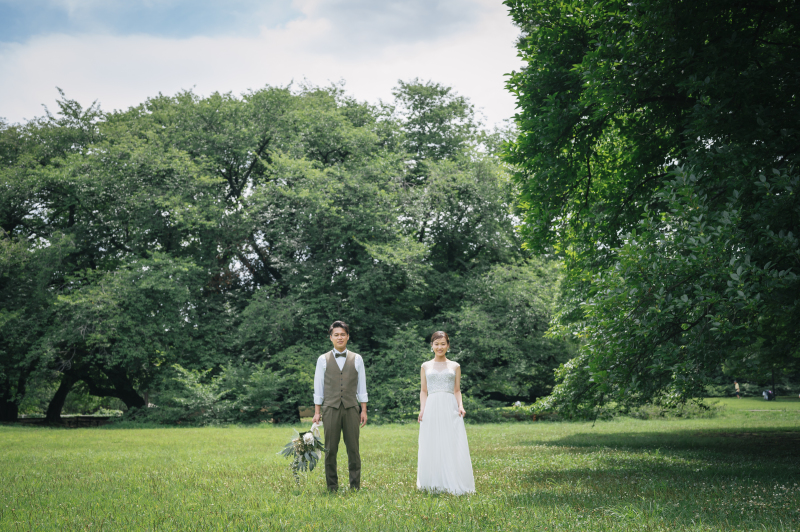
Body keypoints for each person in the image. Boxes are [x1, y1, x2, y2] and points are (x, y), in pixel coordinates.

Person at [312, 320, 368, 491]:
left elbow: (362, 386)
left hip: (351, 408)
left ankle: (355, 486)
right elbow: (318, 386)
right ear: (331, 338)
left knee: (353, 449)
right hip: (330, 408)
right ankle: (332, 486)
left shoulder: (357, 359)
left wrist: (363, 409)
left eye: (343, 334)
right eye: (336, 335)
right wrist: (317, 411)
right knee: (330, 449)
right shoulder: (322, 359)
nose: (340, 337)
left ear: (348, 336)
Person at [417, 331, 475, 495]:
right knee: (432, 442)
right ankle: (433, 482)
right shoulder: (425, 366)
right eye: (436, 344)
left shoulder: (455, 366)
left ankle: (453, 480)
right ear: (432, 346)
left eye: (443, 344)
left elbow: (457, 390)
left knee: (451, 442)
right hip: (432, 406)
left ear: (448, 346)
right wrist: (423, 408)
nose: (439, 347)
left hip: (449, 406)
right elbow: (423, 391)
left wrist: (461, 406)